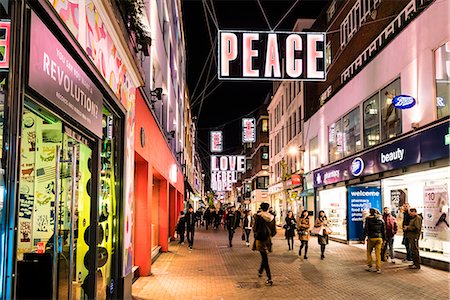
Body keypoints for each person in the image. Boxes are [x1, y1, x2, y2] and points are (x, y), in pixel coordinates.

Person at [252, 202, 276, 286]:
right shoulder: (272, 217)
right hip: (268, 240)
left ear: (261, 208)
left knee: (265, 258)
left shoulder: (258, 216)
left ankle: (269, 278)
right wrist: (269, 235)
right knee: (265, 257)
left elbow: (255, 228)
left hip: (260, 239)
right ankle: (260, 271)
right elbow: (274, 231)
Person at [363, 208, 386, 273]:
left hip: (371, 238)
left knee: (369, 252)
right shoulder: (381, 220)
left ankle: (369, 266)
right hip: (379, 238)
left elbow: (366, 229)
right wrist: (384, 239)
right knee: (378, 253)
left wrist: (363, 238)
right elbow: (383, 230)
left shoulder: (368, 219)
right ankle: (378, 268)